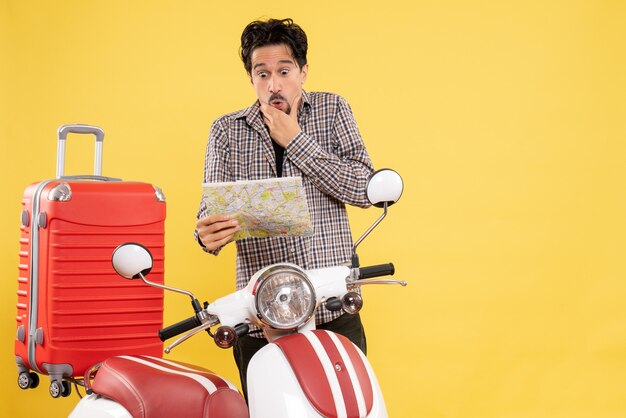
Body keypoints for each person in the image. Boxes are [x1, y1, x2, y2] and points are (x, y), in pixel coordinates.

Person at [195, 17, 374, 399]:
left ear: (303, 71)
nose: (273, 84)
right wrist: (205, 235)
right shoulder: (226, 131)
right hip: (260, 318)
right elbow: (208, 216)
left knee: (348, 405)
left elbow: (364, 188)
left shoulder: (332, 110)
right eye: (262, 73)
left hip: (332, 310)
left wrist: (295, 141)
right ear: (251, 78)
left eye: (284, 70)